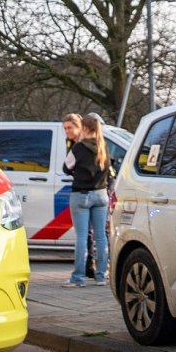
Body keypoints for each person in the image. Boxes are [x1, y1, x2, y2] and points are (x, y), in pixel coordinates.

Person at [63, 111, 112, 288]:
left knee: (82, 237)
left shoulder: (78, 148)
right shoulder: (103, 147)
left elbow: (66, 167)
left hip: (81, 195)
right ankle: (101, 277)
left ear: (84, 128)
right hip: (101, 195)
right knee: (101, 237)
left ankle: (78, 278)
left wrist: (77, 172)